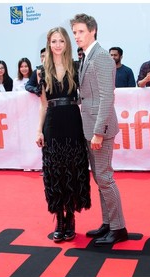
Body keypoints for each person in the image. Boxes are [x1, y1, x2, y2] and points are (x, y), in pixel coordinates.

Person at [70, 13, 128, 246]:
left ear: (93, 30)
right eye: (74, 32)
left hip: (99, 128)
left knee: (105, 178)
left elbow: (106, 97)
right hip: (90, 126)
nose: (76, 36)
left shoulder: (102, 57)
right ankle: (108, 223)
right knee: (100, 178)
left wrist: (99, 131)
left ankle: (119, 228)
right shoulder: (87, 56)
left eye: (80, 31)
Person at [35, 27, 91, 243]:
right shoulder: (42, 70)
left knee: (73, 169)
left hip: (72, 121)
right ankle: (59, 219)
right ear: (49, 44)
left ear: (67, 44)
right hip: (53, 124)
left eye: (61, 41)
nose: (57, 45)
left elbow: (85, 97)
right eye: (54, 41)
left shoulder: (76, 67)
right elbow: (42, 105)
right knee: (55, 171)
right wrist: (39, 130)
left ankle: (71, 218)